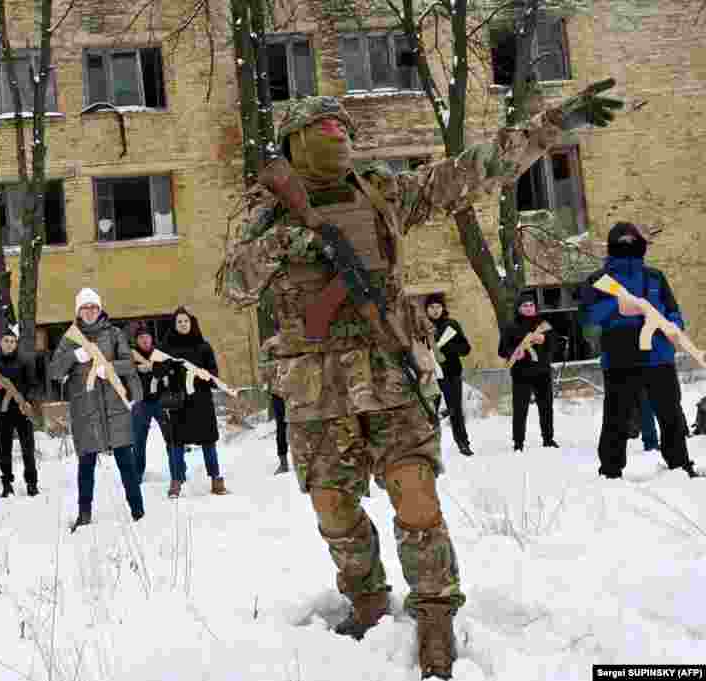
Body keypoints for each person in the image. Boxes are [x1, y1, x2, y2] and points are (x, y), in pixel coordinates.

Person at [219, 81, 622, 678]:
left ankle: (435, 612)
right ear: (295, 141)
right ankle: (367, 600)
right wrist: (292, 239)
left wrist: (551, 125)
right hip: (315, 391)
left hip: (389, 375)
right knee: (333, 507)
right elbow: (232, 286)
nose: (340, 136)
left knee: (415, 495)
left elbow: (469, 172)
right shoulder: (265, 211)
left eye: (344, 129)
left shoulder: (382, 192)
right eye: (325, 129)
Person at [581, 222, 699, 479]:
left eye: (632, 241)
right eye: (621, 242)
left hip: (659, 357)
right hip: (618, 359)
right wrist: (617, 306)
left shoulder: (655, 277)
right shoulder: (597, 281)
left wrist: (672, 326)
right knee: (616, 417)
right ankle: (610, 471)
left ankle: (680, 465)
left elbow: (673, 310)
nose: (627, 247)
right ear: (612, 247)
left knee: (671, 414)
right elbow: (588, 321)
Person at [49, 288, 144, 531]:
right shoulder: (70, 338)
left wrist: (110, 368)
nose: (90, 311)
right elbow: (55, 371)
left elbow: (130, 364)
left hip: (114, 407)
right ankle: (84, 513)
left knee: (126, 462)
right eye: (85, 307)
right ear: (78, 311)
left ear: (100, 309)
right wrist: (74, 356)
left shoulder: (114, 334)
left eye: (93, 307)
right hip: (86, 409)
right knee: (86, 465)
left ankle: (138, 510)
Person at [157, 307, 229, 498]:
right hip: (179, 401)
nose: (183, 324)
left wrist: (207, 375)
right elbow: (157, 371)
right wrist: (168, 367)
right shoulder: (167, 347)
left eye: (186, 321)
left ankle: (215, 479)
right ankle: (176, 481)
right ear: (174, 325)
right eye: (179, 322)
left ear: (192, 323)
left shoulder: (203, 346)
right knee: (176, 443)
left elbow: (214, 373)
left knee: (208, 441)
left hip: (201, 401)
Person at [497, 293, 559, 451]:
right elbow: (502, 350)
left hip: (542, 372)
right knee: (520, 409)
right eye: (525, 305)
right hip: (521, 373)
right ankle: (518, 443)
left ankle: (548, 439)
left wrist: (545, 340)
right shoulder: (511, 326)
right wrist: (515, 353)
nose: (529, 308)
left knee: (546, 407)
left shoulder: (544, 325)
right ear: (519, 308)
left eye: (531, 305)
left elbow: (555, 345)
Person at [0, 330, 39, 498]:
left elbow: (33, 385)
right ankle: (6, 484)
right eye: (6, 340)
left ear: (16, 343)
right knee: (4, 448)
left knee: (28, 448)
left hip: (22, 409)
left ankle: (32, 483)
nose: (9, 344)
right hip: (3, 411)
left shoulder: (25, 361)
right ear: (0, 343)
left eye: (13, 341)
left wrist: (27, 401)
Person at [424, 293, 475, 458]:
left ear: (443, 307)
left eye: (438, 306)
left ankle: (463, 442)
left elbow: (466, 348)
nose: (435, 310)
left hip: (451, 373)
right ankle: (431, 447)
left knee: (455, 409)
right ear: (426, 310)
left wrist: (451, 347)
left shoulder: (451, 325)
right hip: (431, 375)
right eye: (431, 307)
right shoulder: (422, 326)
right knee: (430, 412)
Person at [130, 322, 171, 483]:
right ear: (137, 340)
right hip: (141, 403)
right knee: (138, 441)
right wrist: (136, 369)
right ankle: (137, 473)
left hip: (162, 402)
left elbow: (169, 370)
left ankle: (177, 471)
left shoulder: (159, 353)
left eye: (147, 337)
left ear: (151, 338)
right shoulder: (131, 357)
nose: (145, 340)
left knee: (171, 438)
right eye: (141, 338)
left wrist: (154, 368)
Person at [260, 335, 290, 474]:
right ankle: (283, 463)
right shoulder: (269, 344)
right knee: (281, 427)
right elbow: (263, 371)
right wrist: (277, 365)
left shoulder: (299, 338)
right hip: (279, 393)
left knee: (303, 426)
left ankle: (306, 460)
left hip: (299, 392)